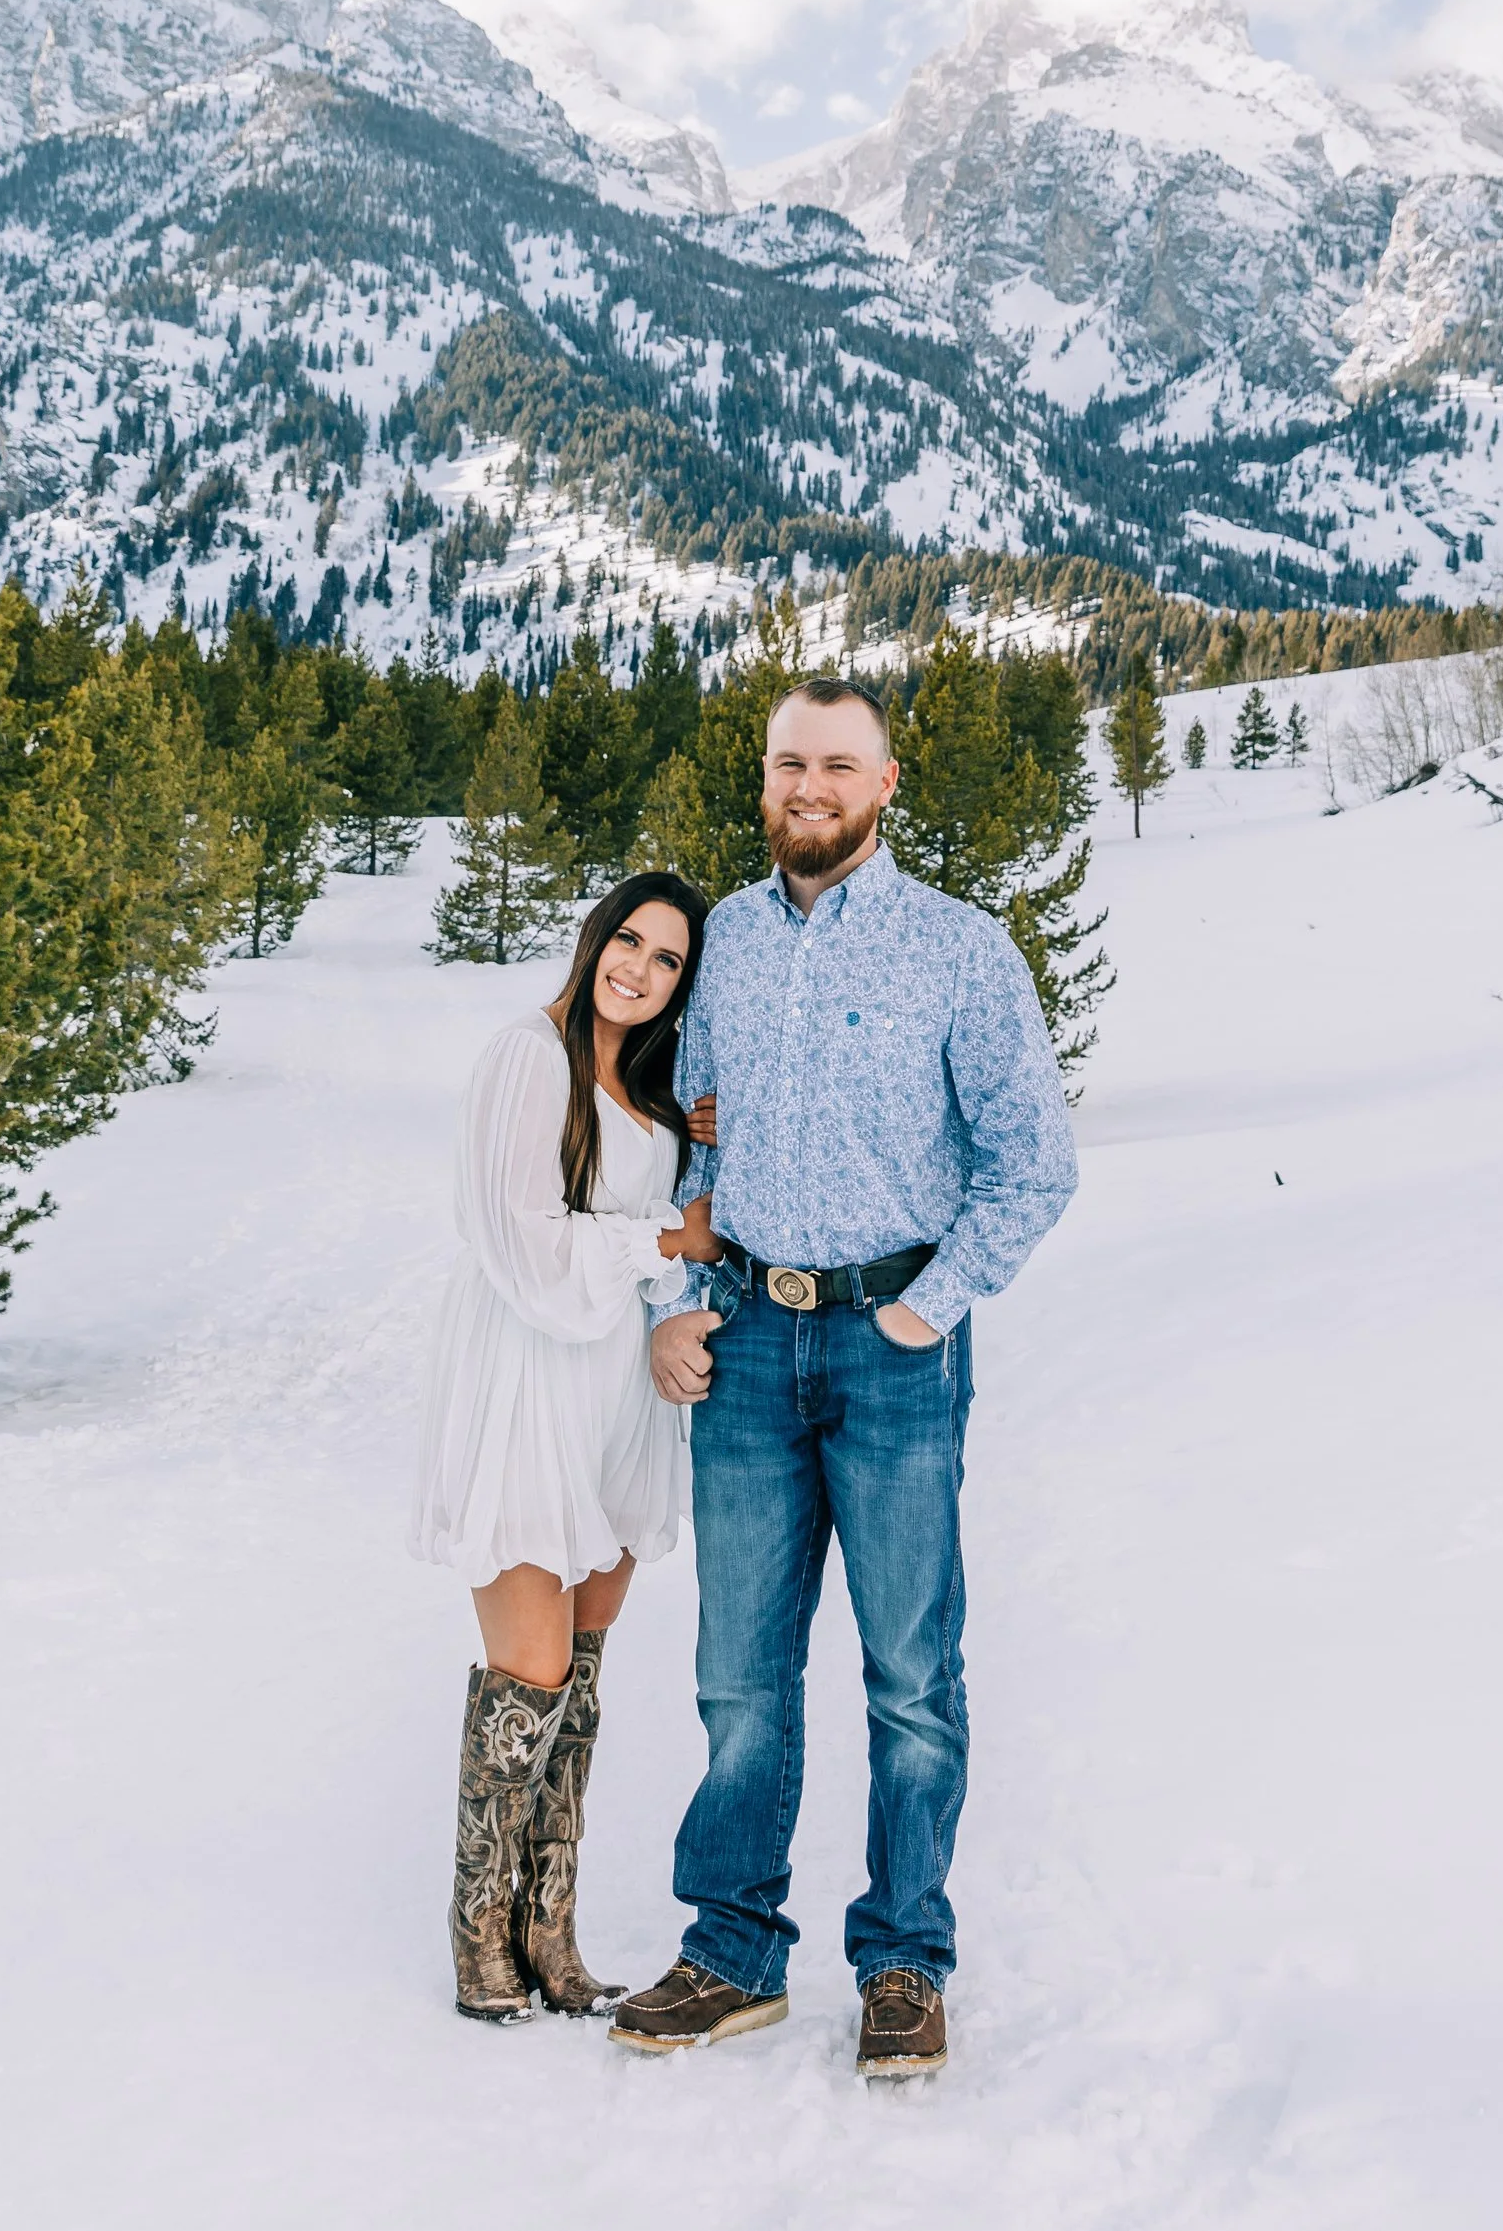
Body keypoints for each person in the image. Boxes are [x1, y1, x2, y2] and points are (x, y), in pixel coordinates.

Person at [607, 675, 1078, 2083]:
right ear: (763, 783)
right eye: (785, 764)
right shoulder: (729, 948)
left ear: (884, 783)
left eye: (836, 764)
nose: (806, 785)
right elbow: (695, 1150)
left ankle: (903, 1961)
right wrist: (679, 1301)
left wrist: (932, 1310)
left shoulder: (961, 951)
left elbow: (1033, 1163)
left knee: (911, 1675)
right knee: (739, 1674)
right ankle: (733, 1950)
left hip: (894, 1350)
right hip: (746, 1343)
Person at [412, 870, 721, 2025]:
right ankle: (476, 1933)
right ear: (594, 939)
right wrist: (665, 1227)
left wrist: (694, 1163)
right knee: (527, 1674)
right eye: (627, 940)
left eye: (668, 959)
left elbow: (680, 1245)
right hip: (529, 1383)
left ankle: (549, 1929)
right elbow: (521, 1240)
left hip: (617, 1400)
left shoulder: (644, 1092)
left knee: (580, 1676)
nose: (638, 969)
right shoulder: (527, 1057)